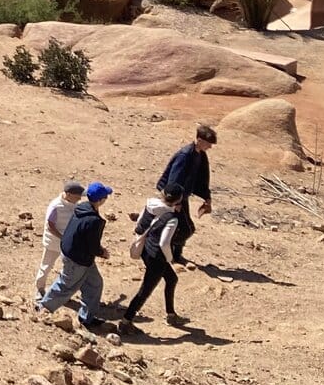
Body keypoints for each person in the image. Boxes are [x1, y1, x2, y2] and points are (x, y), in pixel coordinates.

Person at [36, 181, 113, 329]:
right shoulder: (93, 220)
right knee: (66, 286)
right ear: (101, 200)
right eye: (105, 197)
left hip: (79, 255)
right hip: (77, 259)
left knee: (94, 284)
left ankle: (87, 319)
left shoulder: (81, 208)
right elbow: (92, 244)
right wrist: (102, 252)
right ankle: (44, 308)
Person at [119, 189, 186, 329]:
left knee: (172, 278)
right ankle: (126, 321)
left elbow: (143, 223)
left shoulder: (153, 206)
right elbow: (164, 242)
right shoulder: (170, 216)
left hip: (147, 249)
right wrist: (169, 258)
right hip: (158, 257)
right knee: (145, 290)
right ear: (178, 201)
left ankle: (171, 314)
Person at [157, 123, 216, 263]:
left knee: (181, 226)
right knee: (186, 229)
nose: (210, 147)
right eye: (208, 143)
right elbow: (173, 180)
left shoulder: (199, 155)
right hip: (174, 197)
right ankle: (162, 249)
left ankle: (174, 255)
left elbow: (201, 178)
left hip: (182, 196)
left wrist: (207, 197)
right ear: (200, 140)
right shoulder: (185, 155)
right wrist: (174, 202)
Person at [35, 181, 85, 297]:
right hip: (53, 242)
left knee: (69, 269)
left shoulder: (74, 205)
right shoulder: (55, 206)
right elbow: (50, 226)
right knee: (46, 266)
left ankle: (61, 291)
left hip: (69, 244)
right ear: (68, 194)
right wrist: (62, 238)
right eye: (77, 197)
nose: (79, 199)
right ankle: (40, 289)